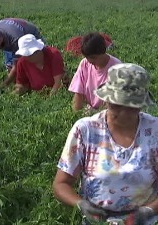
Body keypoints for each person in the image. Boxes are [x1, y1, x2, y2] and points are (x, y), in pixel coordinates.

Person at [53, 63, 158, 225]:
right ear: (106, 99)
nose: (123, 113)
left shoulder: (154, 130)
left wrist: (149, 210)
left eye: (131, 107)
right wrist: (81, 204)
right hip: (98, 219)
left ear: (141, 104)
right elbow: (61, 183)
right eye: (116, 105)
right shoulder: (86, 130)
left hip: (146, 219)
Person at [0, 18, 42, 86]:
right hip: (9, 34)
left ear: (0, 39)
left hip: (29, 34)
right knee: (10, 66)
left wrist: (4, 84)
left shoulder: (15, 38)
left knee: (33, 62)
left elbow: (16, 65)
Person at [68, 32, 121, 112]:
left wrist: (97, 114)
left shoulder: (117, 67)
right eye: (87, 57)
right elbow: (78, 94)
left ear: (103, 52)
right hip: (88, 110)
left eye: (93, 57)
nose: (90, 61)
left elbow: (115, 101)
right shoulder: (84, 64)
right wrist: (76, 113)